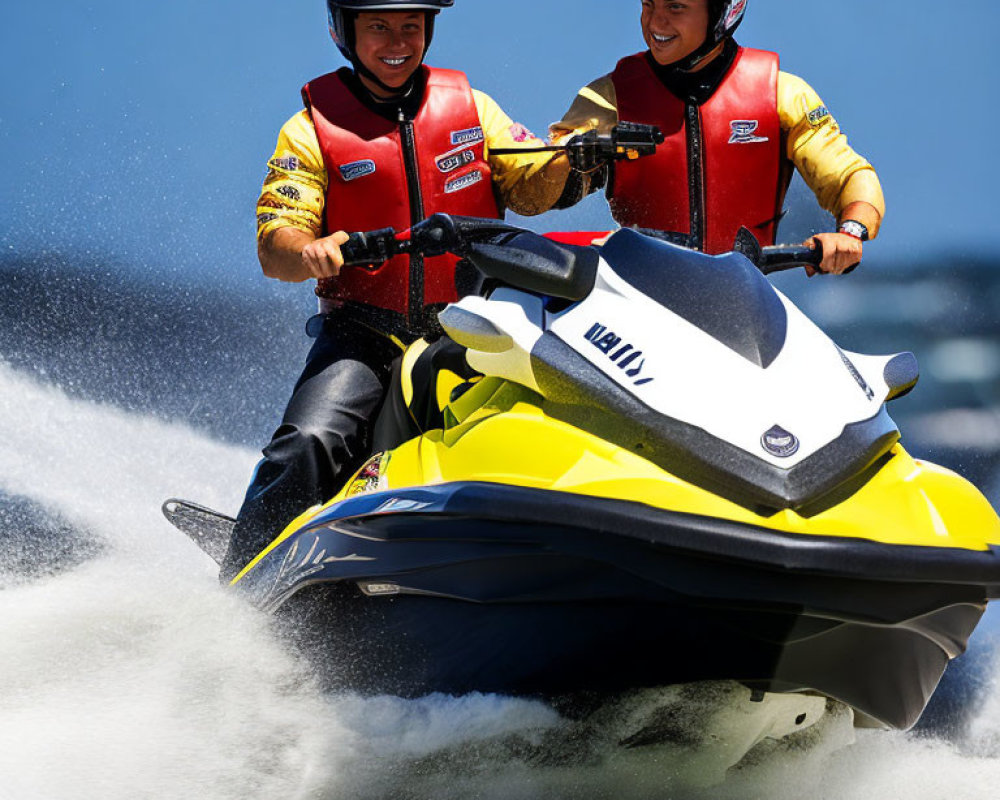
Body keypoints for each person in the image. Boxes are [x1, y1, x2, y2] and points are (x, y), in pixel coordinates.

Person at [223, 0, 570, 581]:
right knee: (309, 441)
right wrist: (307, 249)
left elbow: (532, 188)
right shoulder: (309, 129)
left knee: (564, 412)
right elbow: (275, 246)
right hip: (364, 333)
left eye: (411, 25)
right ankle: (238, 585)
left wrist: (571, 159)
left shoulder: (472, 107)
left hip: (473, 327)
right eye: (379, 26)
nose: (397, 41)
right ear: (345, 31)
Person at [549, 0, 885, 275]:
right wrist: (563, 162)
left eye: (675, 7)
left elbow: (850, 177)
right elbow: (543, 188)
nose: (655, 22)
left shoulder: (783, 95)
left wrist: (850, 233)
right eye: (648, 4)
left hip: (743, 304)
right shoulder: (608, 99)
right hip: (635, 301)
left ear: (721, 14)